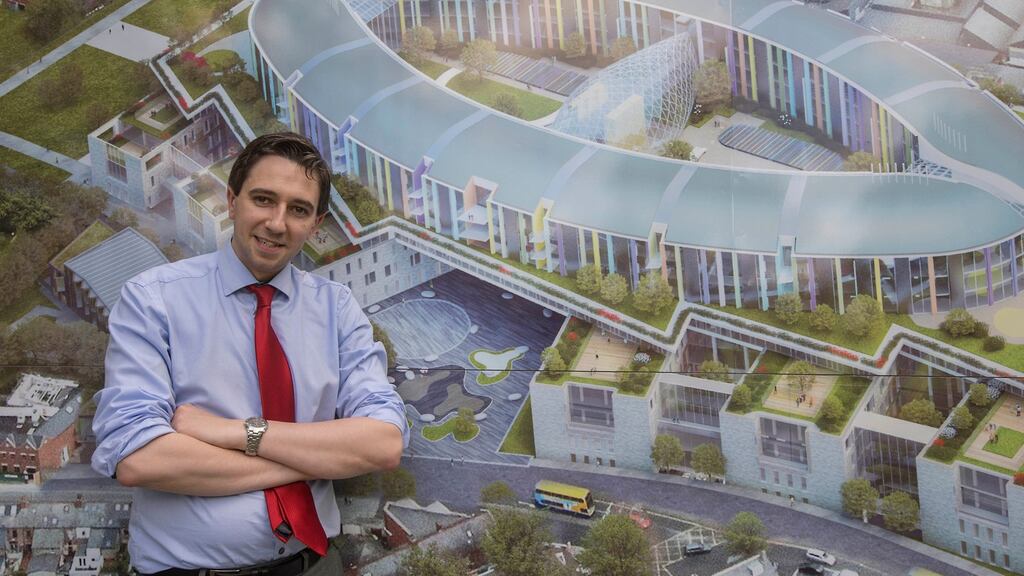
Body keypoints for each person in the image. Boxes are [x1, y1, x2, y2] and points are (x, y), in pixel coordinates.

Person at [91, 133, 408, 576]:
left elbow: (383, 443)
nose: (277, 223)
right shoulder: (153, 301)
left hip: (314, 566)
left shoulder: (336, 309)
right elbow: (138, 457)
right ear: (232, 200)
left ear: (317, 224)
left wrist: (235, 432)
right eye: (264, 199)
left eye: (298, 209)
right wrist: (307, 462)